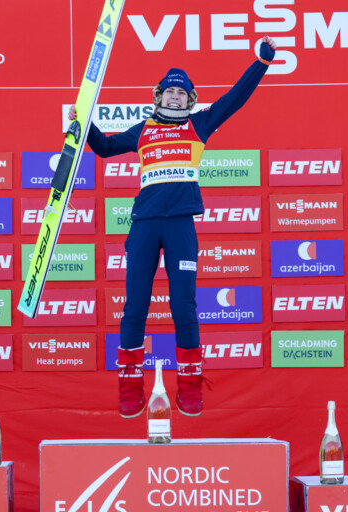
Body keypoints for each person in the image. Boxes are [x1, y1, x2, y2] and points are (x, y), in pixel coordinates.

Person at [70, 36, 278, 419]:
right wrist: (83, 125)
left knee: (184, 306)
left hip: (181, 225)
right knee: (135, 306)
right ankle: (131, 385)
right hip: (145, 224)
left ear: (190, 99)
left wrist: (261, 64)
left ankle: (189, 384)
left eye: (182, 93)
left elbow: (235, 98)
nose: (176, 97)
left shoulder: (200, 125)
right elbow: (104, 147)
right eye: (170, 92)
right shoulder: (143, 129)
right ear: (159, 96)